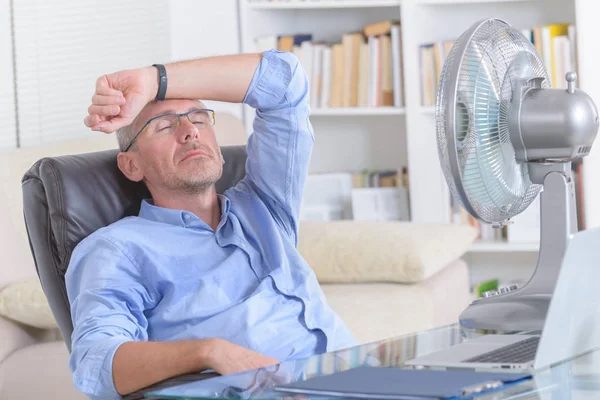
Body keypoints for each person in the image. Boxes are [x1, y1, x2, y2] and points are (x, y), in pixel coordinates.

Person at [65, 49, 357, 400]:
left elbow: (285, 82)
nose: (190, 131)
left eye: (200, 119)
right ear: (131, 166)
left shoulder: (265, 205)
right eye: (164, 125)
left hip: (362, 381)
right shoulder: (118, 249)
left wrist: (150, 80)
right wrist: (206, 351)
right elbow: (96, 363)